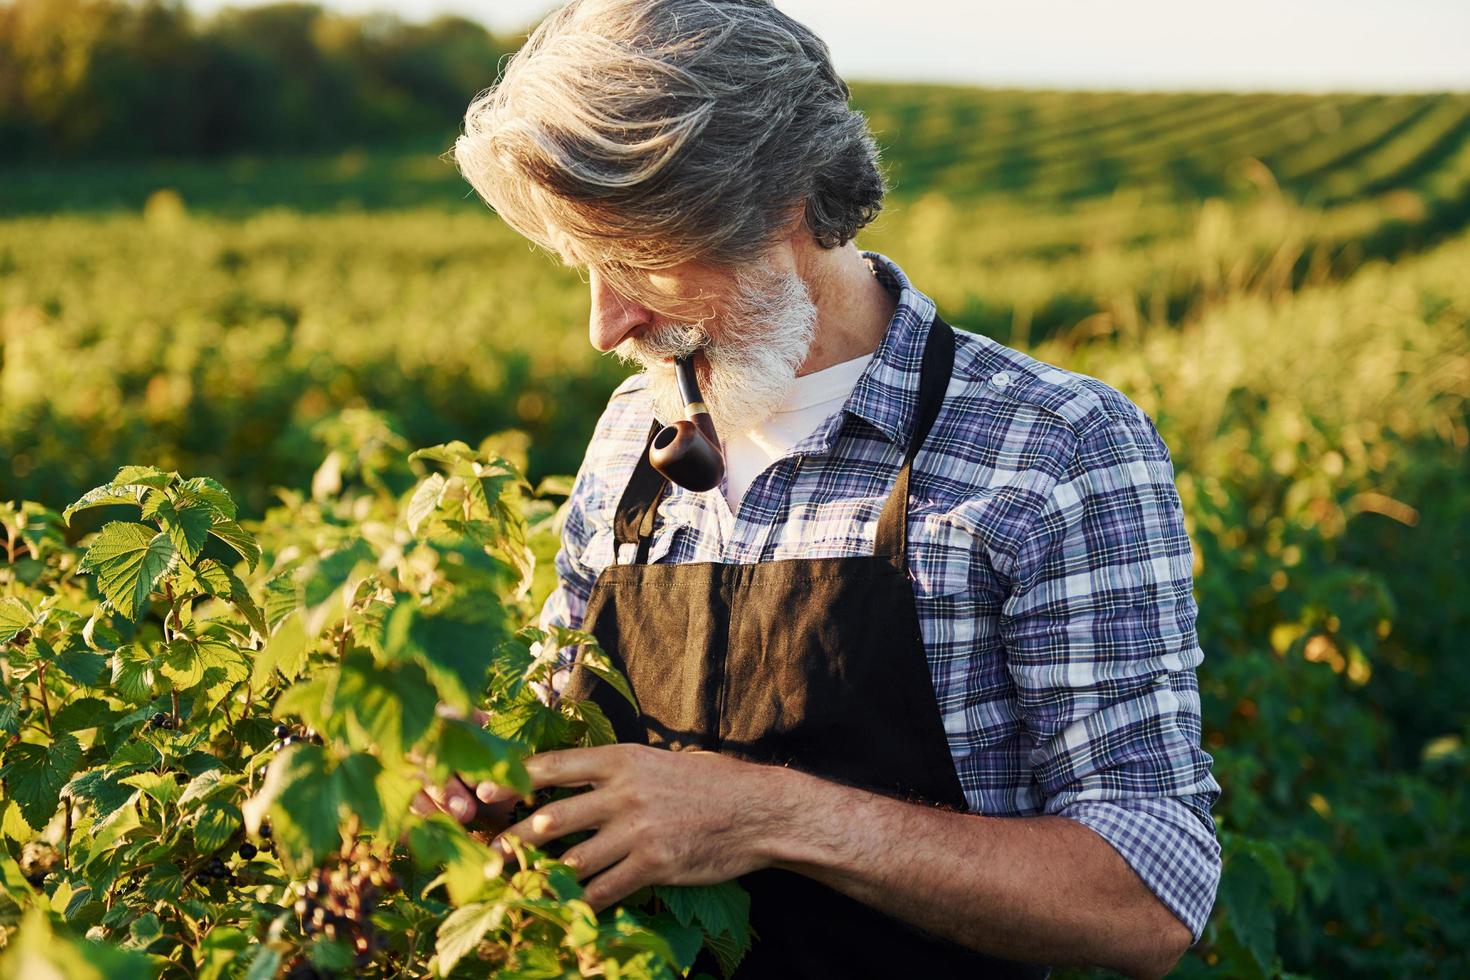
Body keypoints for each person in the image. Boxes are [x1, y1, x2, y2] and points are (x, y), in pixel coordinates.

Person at [419, 1, 1221, 976]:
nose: (604, 321)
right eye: (584, 263)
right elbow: (570, 710)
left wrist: (774, 816)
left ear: (781, 207)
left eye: (636, 259)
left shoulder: (1052, 447)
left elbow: (1150, 895)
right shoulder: (633, 431)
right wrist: (503, 766)